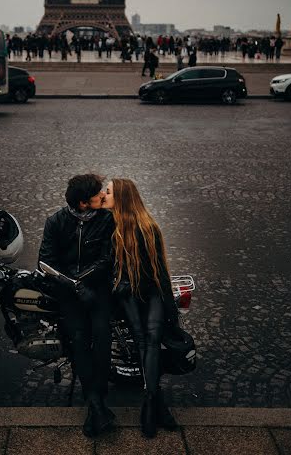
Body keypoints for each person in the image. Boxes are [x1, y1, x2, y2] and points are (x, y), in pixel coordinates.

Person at [38, 174, 115, 438]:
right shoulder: (56, 222)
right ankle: (96, 404)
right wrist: (75, 287)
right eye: (97, 195)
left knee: (102, 337)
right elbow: (46, 263)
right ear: (83, 203)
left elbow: (107, 258)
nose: (102, 196)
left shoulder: (107, 220)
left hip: (98, 288)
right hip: (69, 292)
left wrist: (85, 283)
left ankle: (97, 399)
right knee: (79, 339)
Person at [102, 179, 179, 438]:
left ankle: (150, 401)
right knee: (142, 342)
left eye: (109, 192)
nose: (105, 195)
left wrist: (171, 310)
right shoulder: (108, 225)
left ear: (122, 197)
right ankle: (158, 405)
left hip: (151, 291)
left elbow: (160, 273)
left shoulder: (148, 228)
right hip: (127, 294)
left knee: (153, 340)